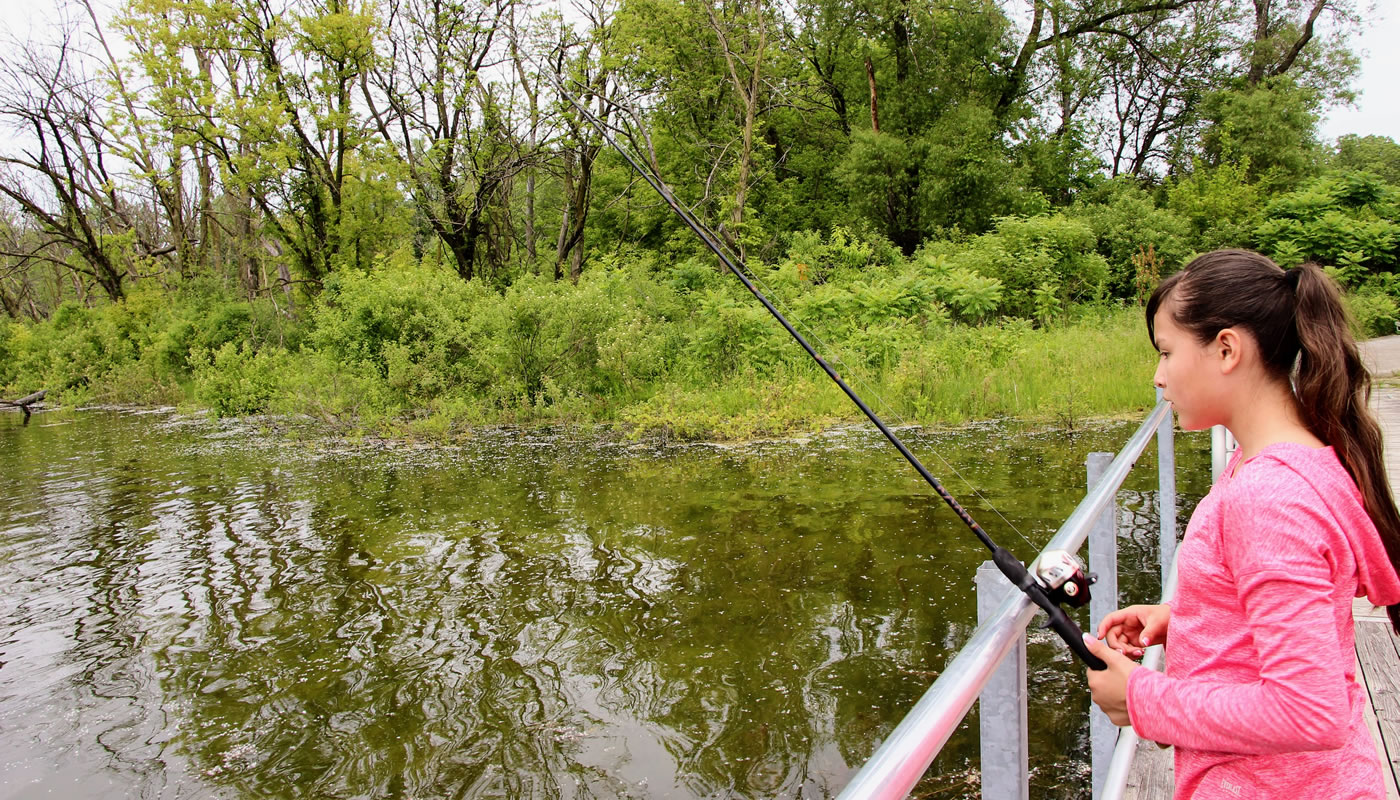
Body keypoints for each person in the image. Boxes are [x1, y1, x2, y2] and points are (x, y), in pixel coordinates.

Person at [1084, 249, 1400, 800]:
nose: (1158, 378)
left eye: (1166, 353)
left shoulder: (1269, 497)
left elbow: (1308, 712)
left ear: (1227, 349)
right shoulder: (1292, 459)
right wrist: (1188, 616)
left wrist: (1142, 699)